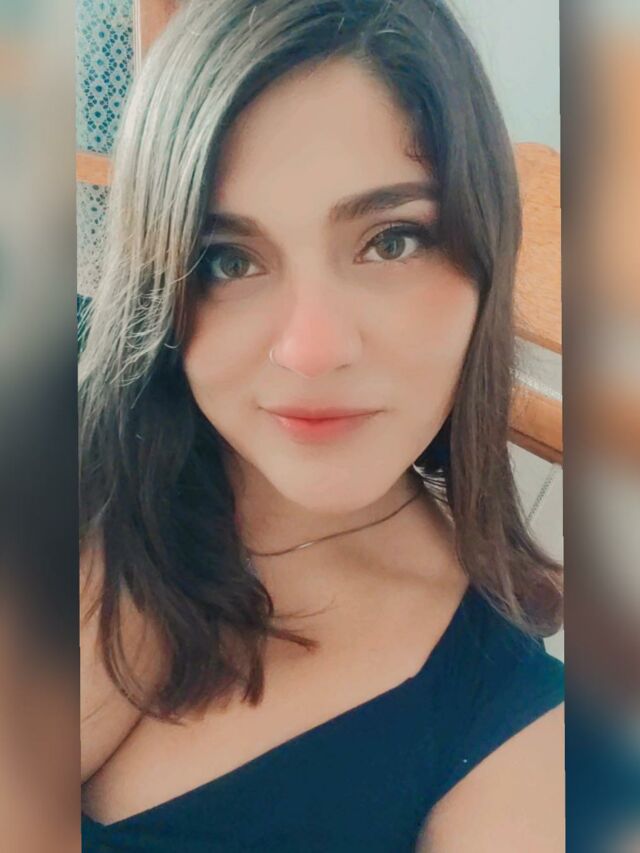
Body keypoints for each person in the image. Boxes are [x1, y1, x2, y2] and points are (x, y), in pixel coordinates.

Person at [79, 0, 564, 849]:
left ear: (486, 257)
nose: (311, 351)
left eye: (392, 241)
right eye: (229, 259)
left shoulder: (517, 740)